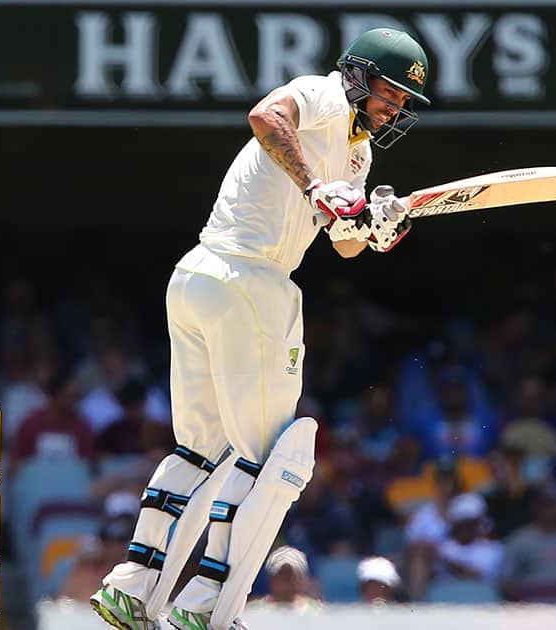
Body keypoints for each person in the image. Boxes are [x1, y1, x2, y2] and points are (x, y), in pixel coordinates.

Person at [91, 27, 431, 630]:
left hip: (198, 279)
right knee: (272, 458)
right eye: (390, 91)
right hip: (250, 280)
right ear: (356, 74)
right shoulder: (322, 95)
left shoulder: (360, 154)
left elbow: (343, 241)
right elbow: (265, 115)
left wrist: (373, 227)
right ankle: (207, 607)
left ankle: (132, 588)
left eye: (404, 100)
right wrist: (318, 187)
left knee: (201, 450)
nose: (395, 106)